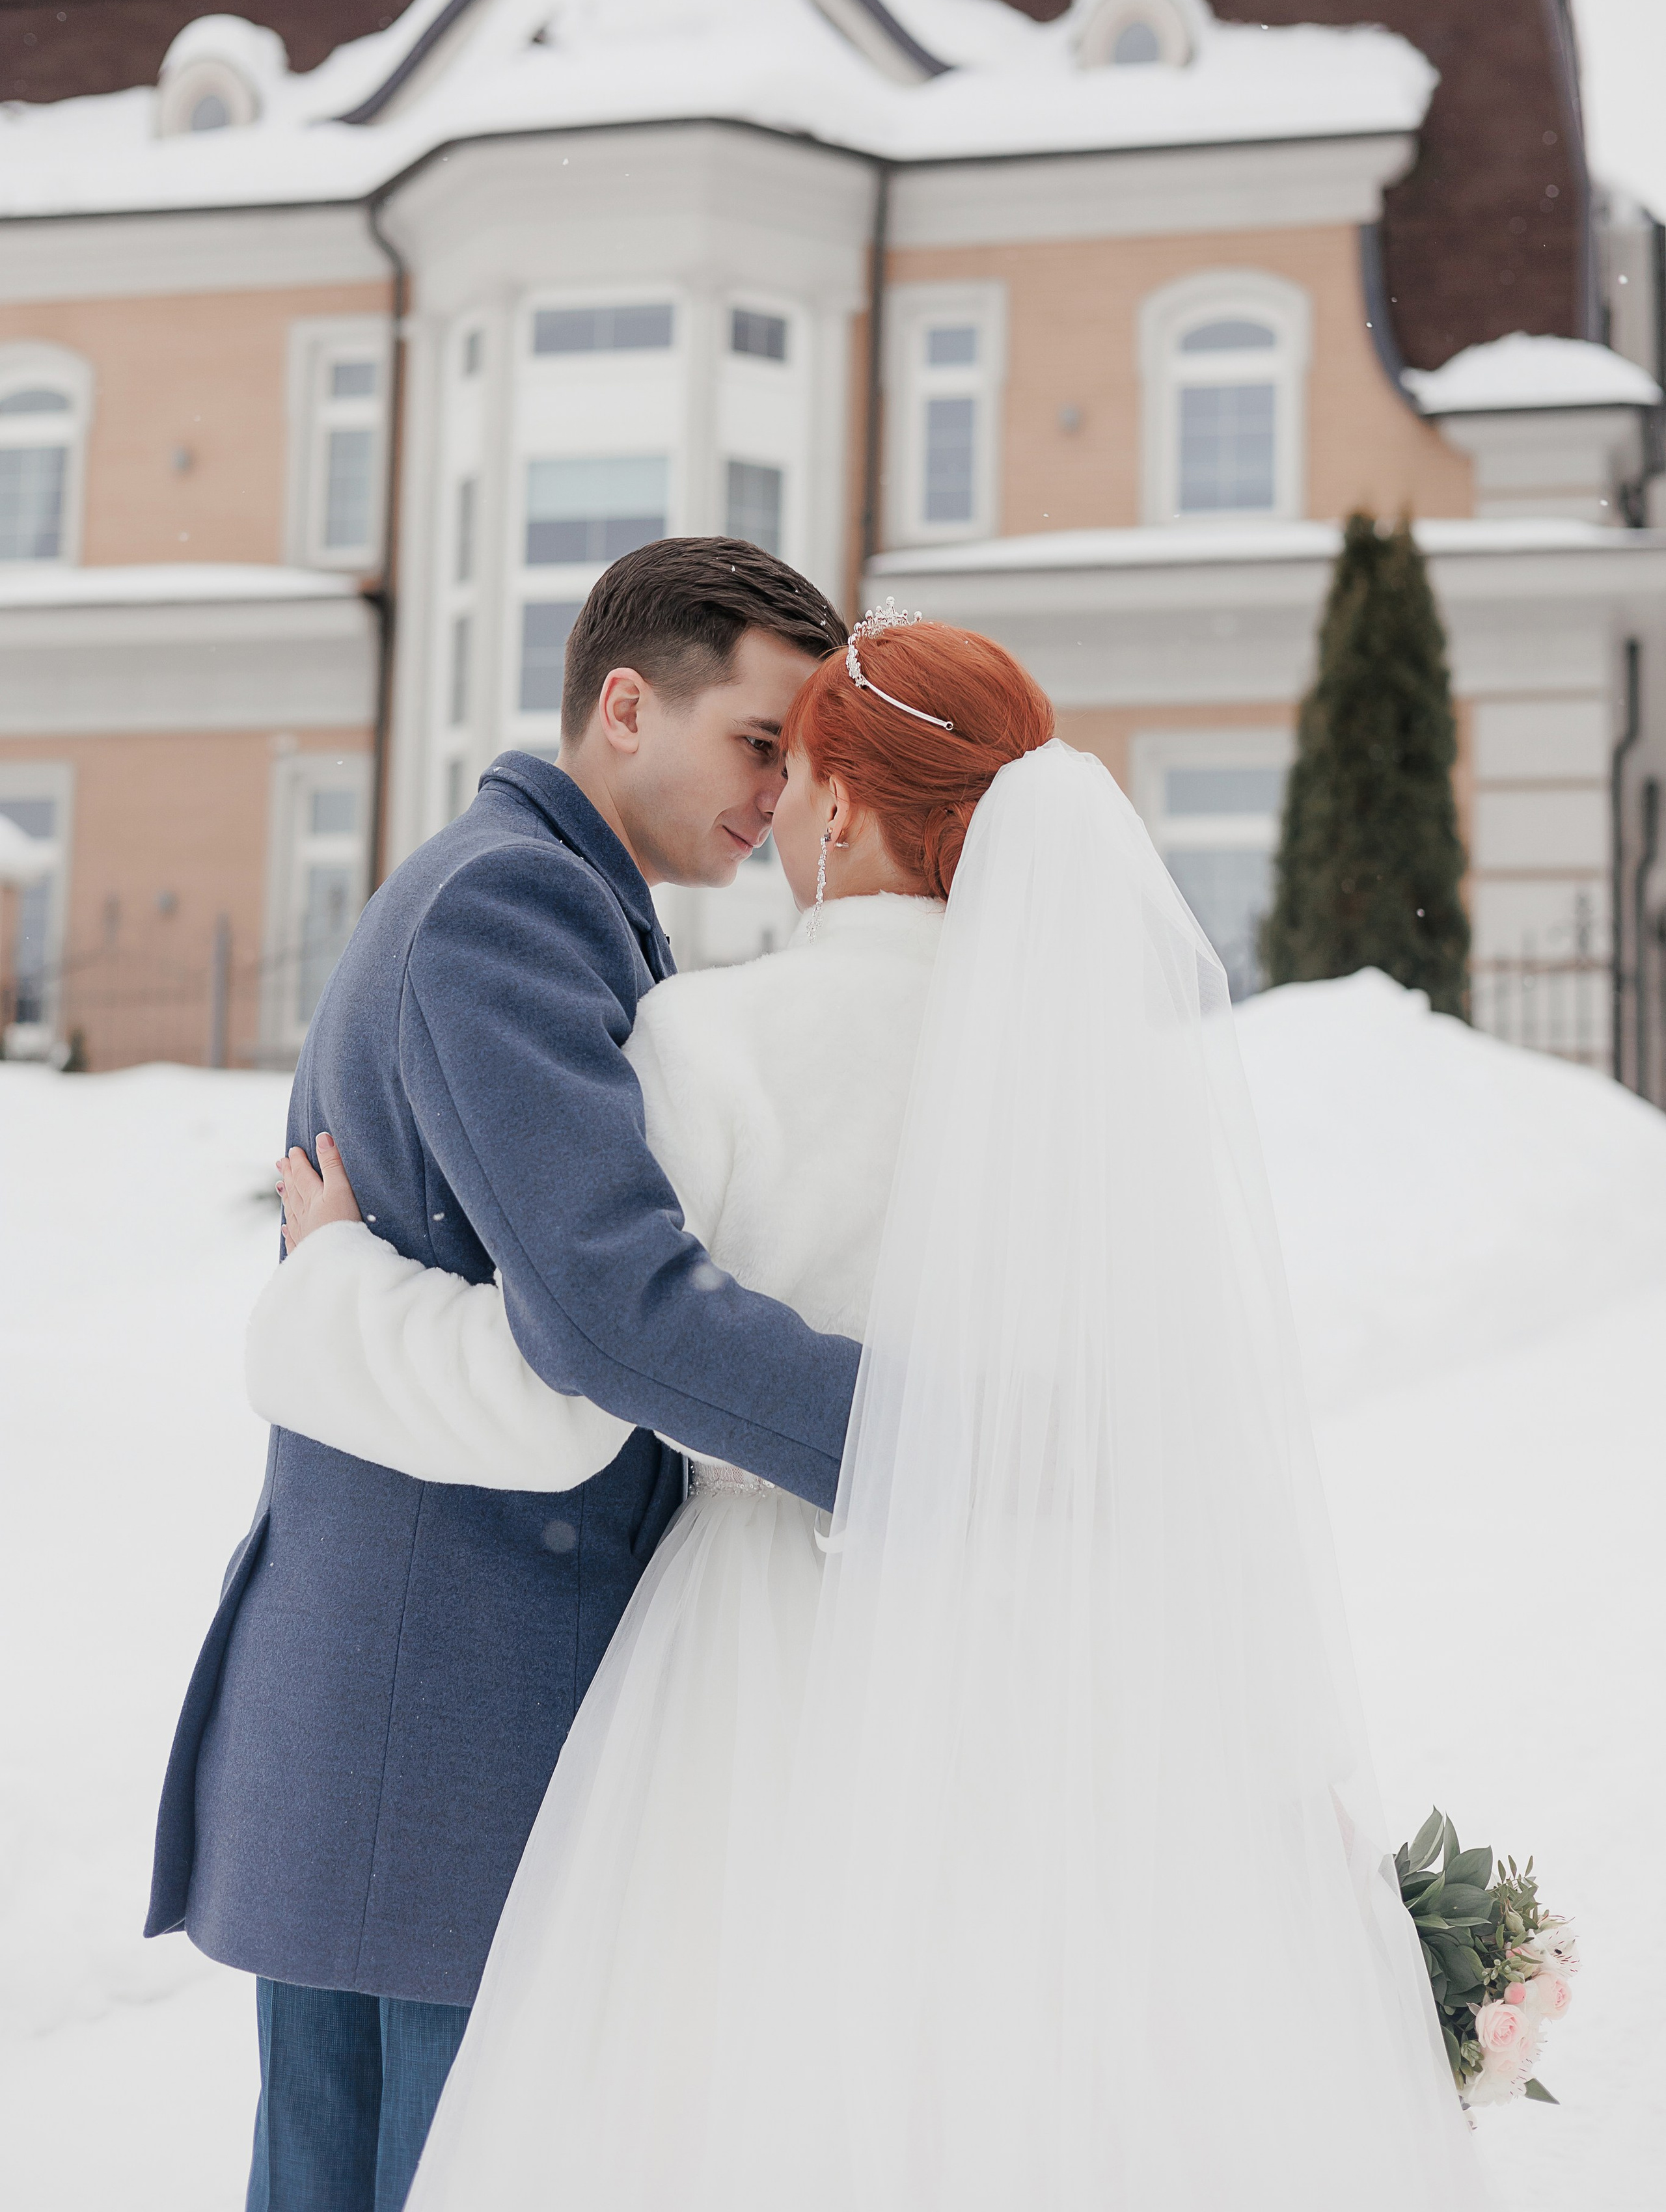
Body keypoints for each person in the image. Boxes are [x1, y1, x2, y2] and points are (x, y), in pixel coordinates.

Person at [255, 609, 1486, 2211]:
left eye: (792, 772)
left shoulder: (714, 1045)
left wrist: (329, 1283)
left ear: (840, 809)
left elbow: (576, 1371)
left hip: (764, 1635)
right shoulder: (1098, 1095)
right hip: (1041, 1651)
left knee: (726, 2086)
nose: (768, 814)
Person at [144, 537, 865, 2212]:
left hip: (406, 1713)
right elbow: (612, 1306)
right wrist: (920, 1441)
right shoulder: (513, 906)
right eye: (761, 741)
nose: (781, 791)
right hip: (439, 1717)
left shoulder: (559, 905)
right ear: (627, 704)